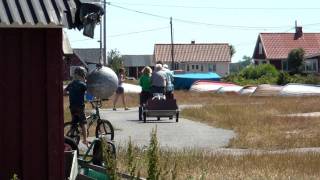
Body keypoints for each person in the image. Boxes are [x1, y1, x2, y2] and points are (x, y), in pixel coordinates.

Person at [65, 66, 88, 146]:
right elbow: (89, 92)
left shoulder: (71, 84)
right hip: (80, 107)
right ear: (82, 75)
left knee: (74, 122)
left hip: (72, 107)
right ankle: (85, 140)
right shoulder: (82, 84)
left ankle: (70, 136)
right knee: (83, 122)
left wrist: (70, 93)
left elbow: (64, 91)